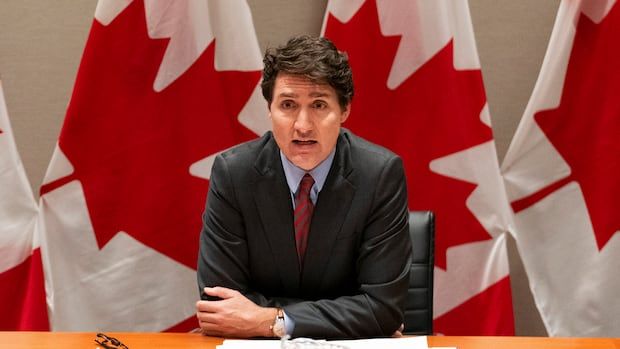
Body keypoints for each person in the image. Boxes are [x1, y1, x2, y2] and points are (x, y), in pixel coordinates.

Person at [196, 35, 412, 339]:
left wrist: (272, 320)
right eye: (288, 105)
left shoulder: (378, 175)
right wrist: (352, 314)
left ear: (345, 110)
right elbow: (220, 305)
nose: (303, 126)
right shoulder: (234, 174)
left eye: (319, 105)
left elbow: (383, 309)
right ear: (269, 109)